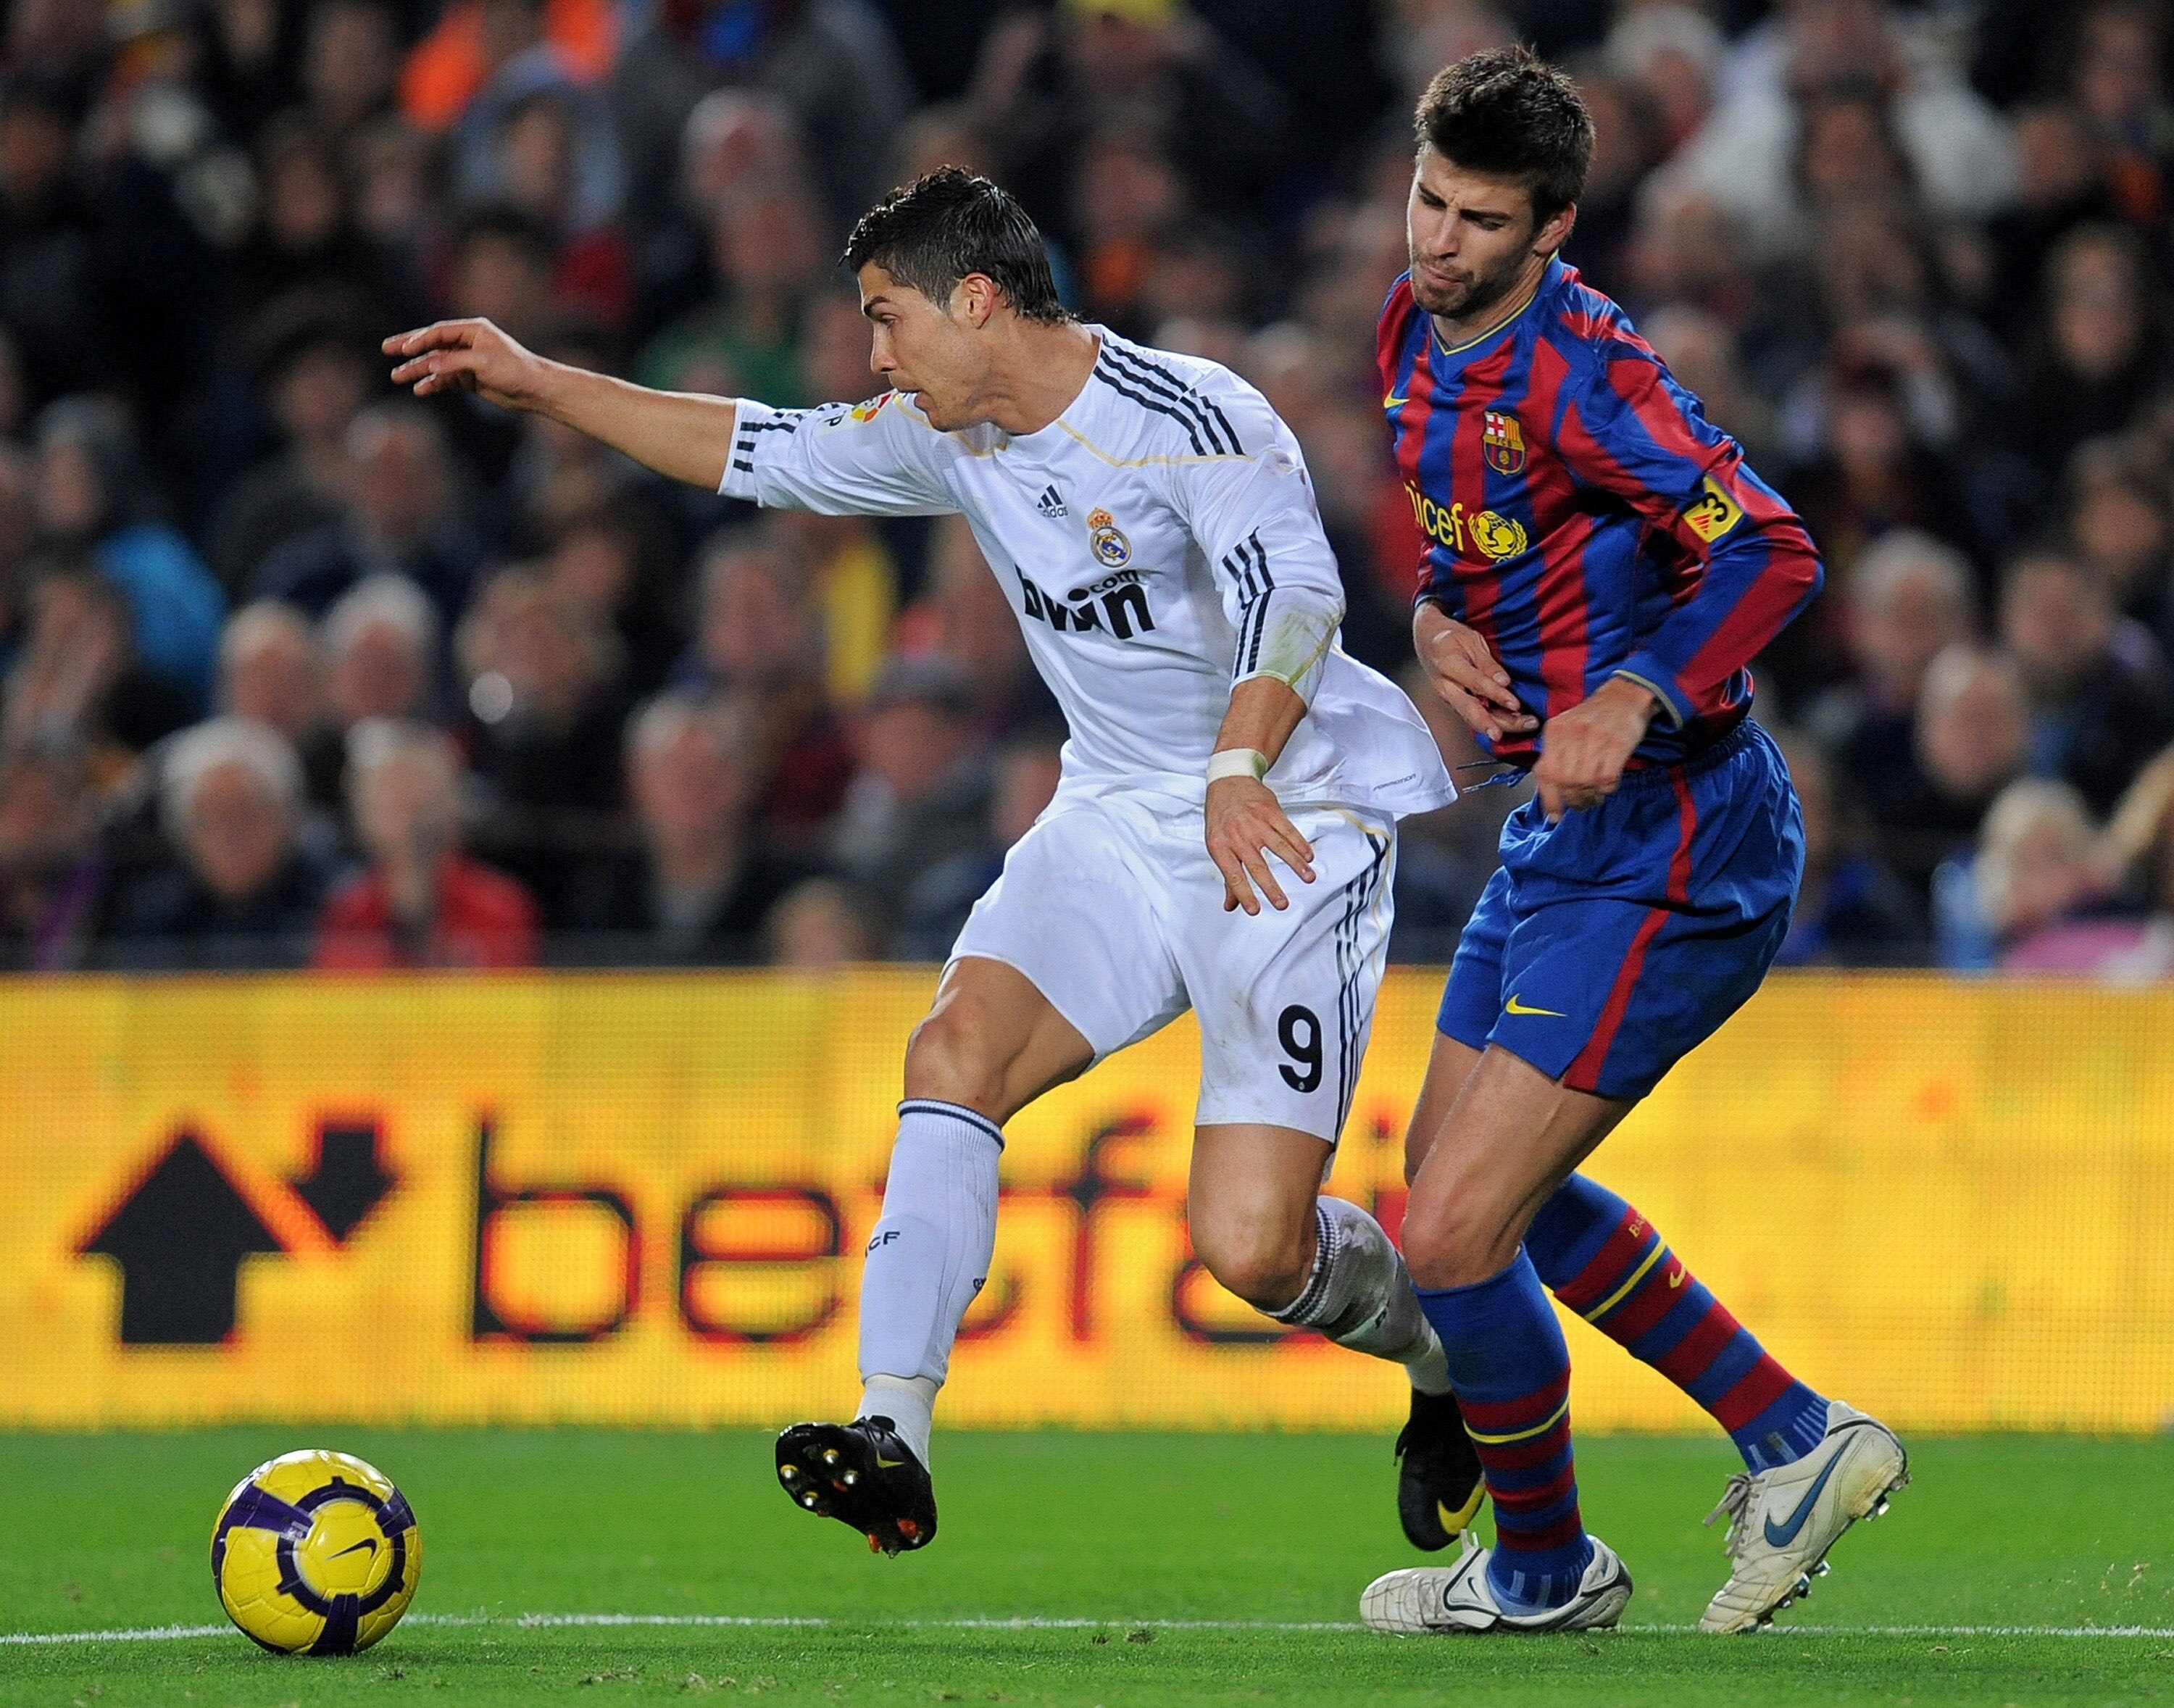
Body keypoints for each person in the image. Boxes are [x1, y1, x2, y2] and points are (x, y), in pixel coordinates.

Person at [386, 164, 1464, 1558]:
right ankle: (893, 1426)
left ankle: (1450, 1366)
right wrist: (542, 383)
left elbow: (1297, 600)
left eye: (886, 320)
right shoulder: (948, 434)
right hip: (1119, 817)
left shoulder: (1192, 417)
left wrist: (1238, 765)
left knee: (1252, 1247)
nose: (873, 357)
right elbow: (752, 445)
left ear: (974, 300)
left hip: (1286, 821)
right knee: (951, 1050)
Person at [1362, 50, 1907, 1639]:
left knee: (1459, 1229)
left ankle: (1542, 1575)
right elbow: (1468, 536)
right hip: (1562, 833)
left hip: (1681, 835)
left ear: (1557, 231)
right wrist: (1432, 619)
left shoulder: (1592, 378)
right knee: (1451, 1197)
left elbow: (1778, 550)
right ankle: (1797, 1443)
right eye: (1428, 200)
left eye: (1480, 221)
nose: (1439, 242)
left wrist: (1637, 688)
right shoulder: (1411, 328)